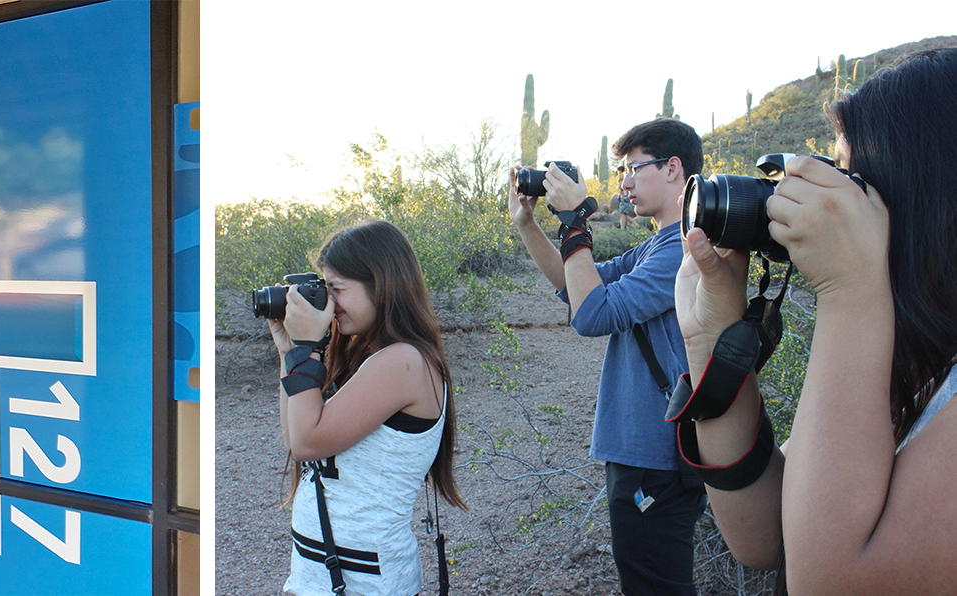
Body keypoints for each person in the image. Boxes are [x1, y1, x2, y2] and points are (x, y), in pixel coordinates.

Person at [676, 48, 957, 595]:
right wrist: (711, 342)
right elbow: (769, 537)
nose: (829, 201)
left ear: (928, 197)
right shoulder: (923, 362)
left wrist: (850, 290)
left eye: (854, 181)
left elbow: (829, 583)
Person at [508, 118, 706, 594]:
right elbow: (575, 286)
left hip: (656, 456)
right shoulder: (656, 245)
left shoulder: (682, 248)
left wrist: (576, 221)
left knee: (656, 586)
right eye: (620, 172)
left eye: (634, 169)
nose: (625, 183)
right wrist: (529, 224)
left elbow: (593, 316)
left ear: (674, 168)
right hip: (642, 451)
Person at [270, 218, 465, 596]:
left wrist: (307, 348)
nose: (330, 303)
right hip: (329, 574)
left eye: (337, 289)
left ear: (382, 286)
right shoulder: (371, 357)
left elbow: (307, 442)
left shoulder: (403, 362)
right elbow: (297, 438)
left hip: (363, 582)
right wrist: (288, 352)